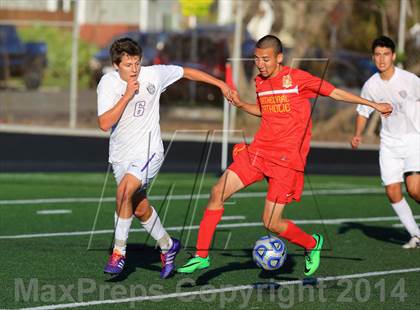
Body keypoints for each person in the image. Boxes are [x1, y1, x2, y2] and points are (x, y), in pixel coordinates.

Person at [178, 35, 393, 276]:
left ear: (279, 58)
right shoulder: (259, 81)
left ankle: (312, 244)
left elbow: (336, 93)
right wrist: (241, 105)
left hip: (286, 160)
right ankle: (201, 256)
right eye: (257, 58)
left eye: (266, 59)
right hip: (258, 152)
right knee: (217, 191)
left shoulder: (297, 79)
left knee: (271, 223)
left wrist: (374, 105)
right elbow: (263, 110)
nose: (260, 64)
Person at [97, 37, 232, 278]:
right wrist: (127, 96)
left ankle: (118, 253)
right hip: (120, 156)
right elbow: (104, 123)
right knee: (138, 208)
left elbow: (187, 72)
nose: (135, 69)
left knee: (123, 193)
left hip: (149, 151)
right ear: (116, 65)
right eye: (128, 65)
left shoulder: (153, 75)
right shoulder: (108, 83)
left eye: (137, 63)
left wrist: (219, 83)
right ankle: (168, 245)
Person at [351, 36, 420, 249]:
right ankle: (416, 235)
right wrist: (358, 134)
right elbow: (363, 111)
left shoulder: (409, 79)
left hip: (413, 139)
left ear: (392, 56)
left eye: (386, 54)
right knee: (392, 191)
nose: (382, 59)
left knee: (414, 189)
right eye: (378, 55)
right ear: (373, 57)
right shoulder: (371, 85)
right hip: (389, 143)